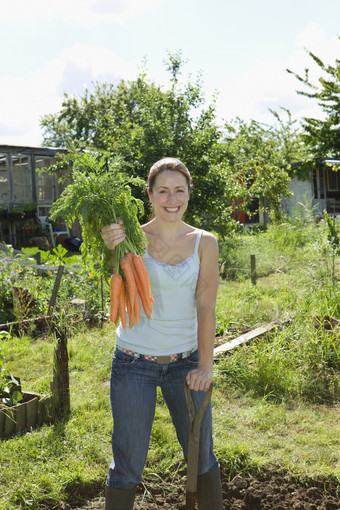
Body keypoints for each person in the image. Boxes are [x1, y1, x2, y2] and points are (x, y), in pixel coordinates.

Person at [101, 157, 223, 510]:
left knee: (202, 456)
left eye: (179, 190)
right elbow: (118, 286)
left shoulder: (205, 242)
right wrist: (113, 250)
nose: (172, 198)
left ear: (189, 195)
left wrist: (205, 366)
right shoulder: (131, 238)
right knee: (127, 465)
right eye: (164, 191)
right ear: (150, 196)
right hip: (133, 363)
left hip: (186, 364)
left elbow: (206, 307)